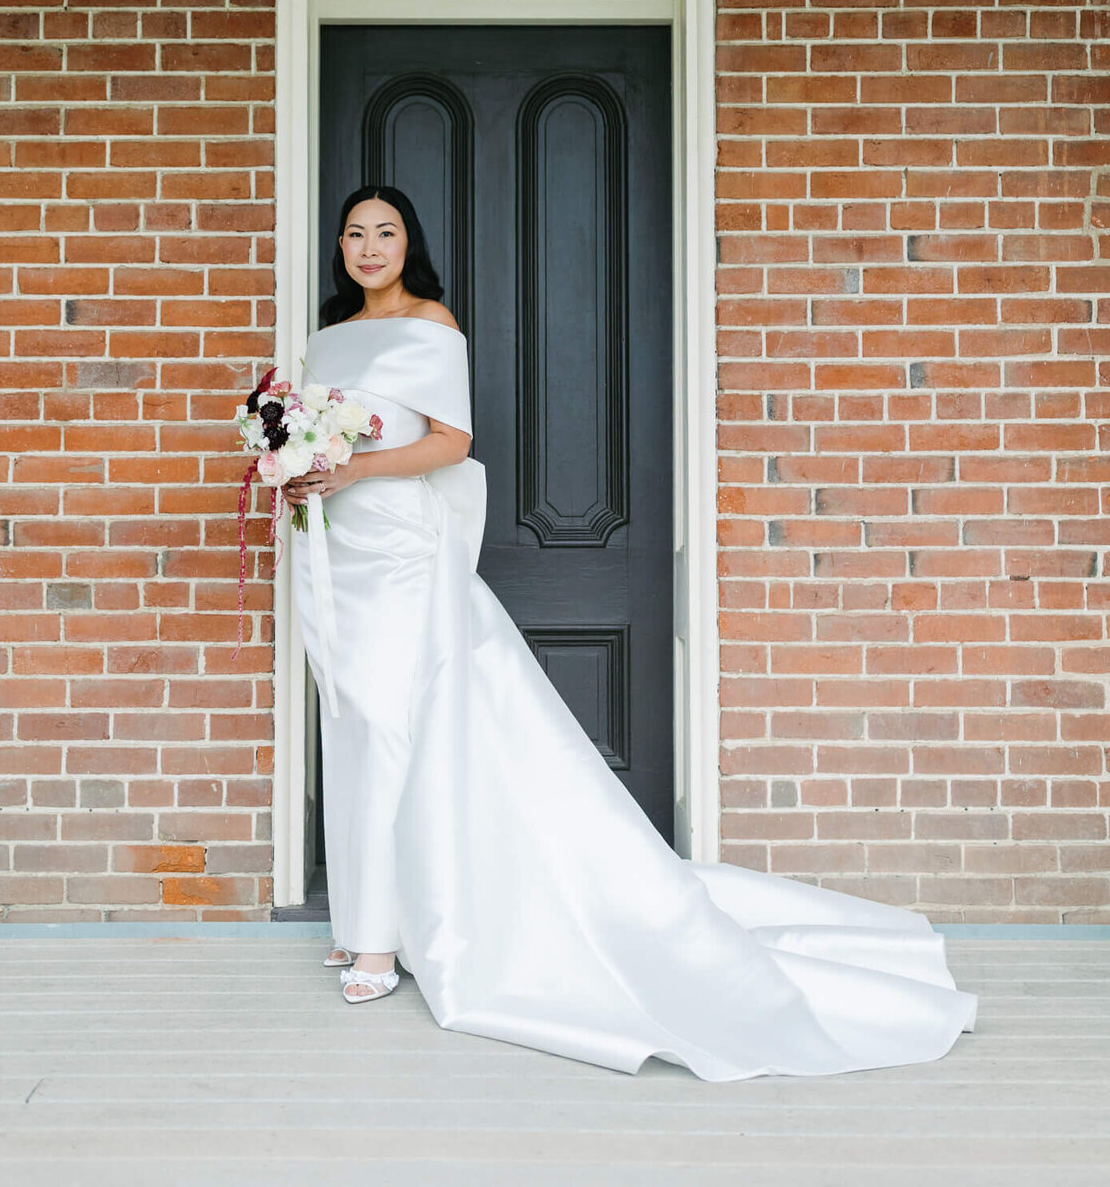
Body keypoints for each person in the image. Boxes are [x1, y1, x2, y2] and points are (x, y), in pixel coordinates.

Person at [284, 184, 978, 1078]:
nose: (368, 247)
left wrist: (351, 470)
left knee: (386, 726)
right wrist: (300, 469)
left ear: (407, 244)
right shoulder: (326, 338)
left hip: (404, 561)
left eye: (385, 232)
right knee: (351, 725)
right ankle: (361, 924)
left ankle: (382, 946)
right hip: (340, 558)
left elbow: (454, 442)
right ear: (338, 248)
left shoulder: (431, 325)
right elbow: (314, 436)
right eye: (354, 234)